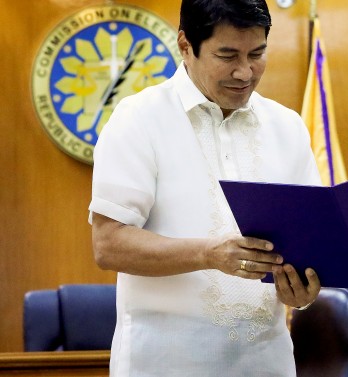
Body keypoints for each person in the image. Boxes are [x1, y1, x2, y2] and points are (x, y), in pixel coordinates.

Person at [89, 1, 321, 375]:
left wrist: (303, 289)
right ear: (185, 45)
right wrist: (209, 253)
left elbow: (311, 244)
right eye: (226, 55)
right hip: (165, 364)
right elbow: (108, 244)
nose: (244, 71)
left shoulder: (287, 127)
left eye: (257, 53)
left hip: (268, 362)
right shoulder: (139, 119)